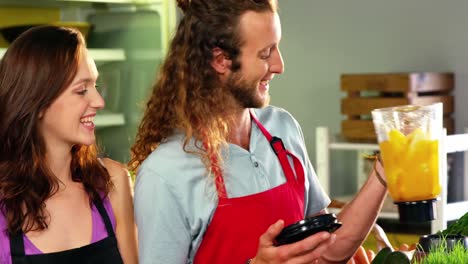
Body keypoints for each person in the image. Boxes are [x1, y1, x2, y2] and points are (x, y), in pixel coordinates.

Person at [129, 0, 387, 263]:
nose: (279, 65)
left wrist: (384, 172)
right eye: (265, 54)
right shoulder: (164, 174)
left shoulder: (283, 128)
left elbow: (326, 251)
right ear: (221, 60)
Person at [0, 25, 138, 264]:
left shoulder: (113, 182)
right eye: (82, 90)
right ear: (38, 101)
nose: (99, 101)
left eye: (95, 86)